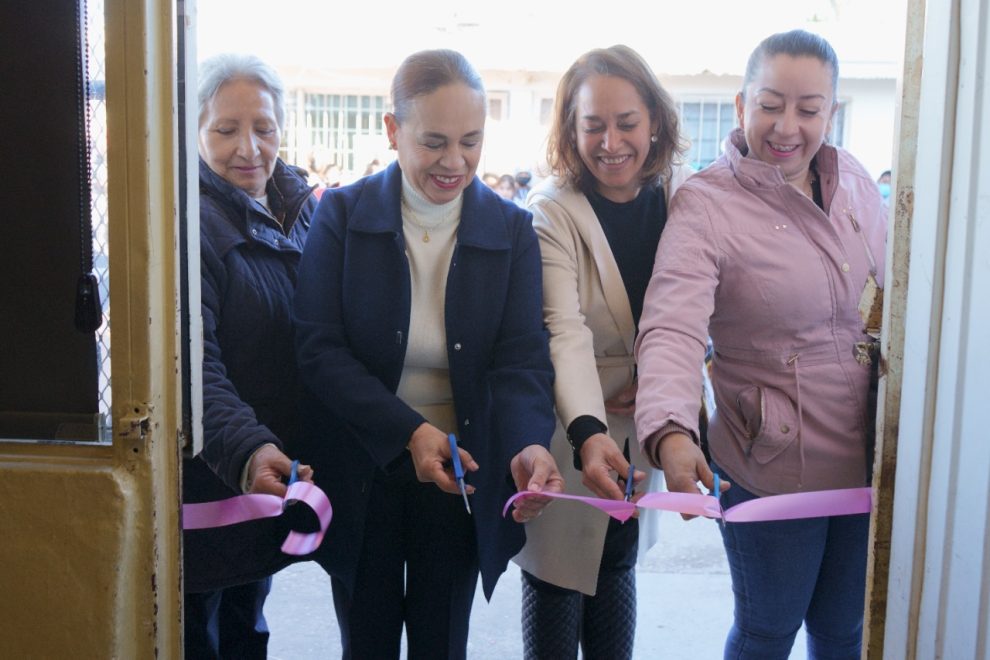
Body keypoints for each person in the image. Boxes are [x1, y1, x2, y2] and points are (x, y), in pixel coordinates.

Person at [291, 48, 564, 660]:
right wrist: (409, 431)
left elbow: (521, 360)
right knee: (366, 636)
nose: (455, 162)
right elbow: (318, 349)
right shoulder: (339, 214)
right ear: (393, 130)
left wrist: (529, 442)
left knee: (442, 640)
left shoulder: (511, 230)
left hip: (460, 470)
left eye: (471, 141)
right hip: (363, 462)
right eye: (434, 142)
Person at [635, 30, 886, 659]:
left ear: (831, 112)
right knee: (768, 629)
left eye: (809, 109)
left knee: (846, 629)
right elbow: (673, 326)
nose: (787, 127)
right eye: (770, 105)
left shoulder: (855, 180)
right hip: (772, 463)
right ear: (742, 105)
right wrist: (670, 430)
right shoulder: (706, 203)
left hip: (870, 455)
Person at [511, 44, 693, 660]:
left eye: (627, 123)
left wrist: (668, 381)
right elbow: (563, 330)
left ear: (655, 122)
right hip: (572, 425)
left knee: (617, 564)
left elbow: (703, 303)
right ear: (571, 129)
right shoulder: (552, 211)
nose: (611, 142)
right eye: (593, 125)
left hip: (644, 422)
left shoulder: (681, 197)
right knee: (557, 577)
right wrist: (588, 431)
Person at [182, 53, 316, 659]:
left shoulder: (303, 211)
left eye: (263, 128)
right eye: (225, 130)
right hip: (214, 480)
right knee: (201, 631)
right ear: (195, 131)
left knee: (250, 626)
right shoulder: (188, 226)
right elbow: (194, 365)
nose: (248, 148)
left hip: (269, 476)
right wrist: (248, 449)